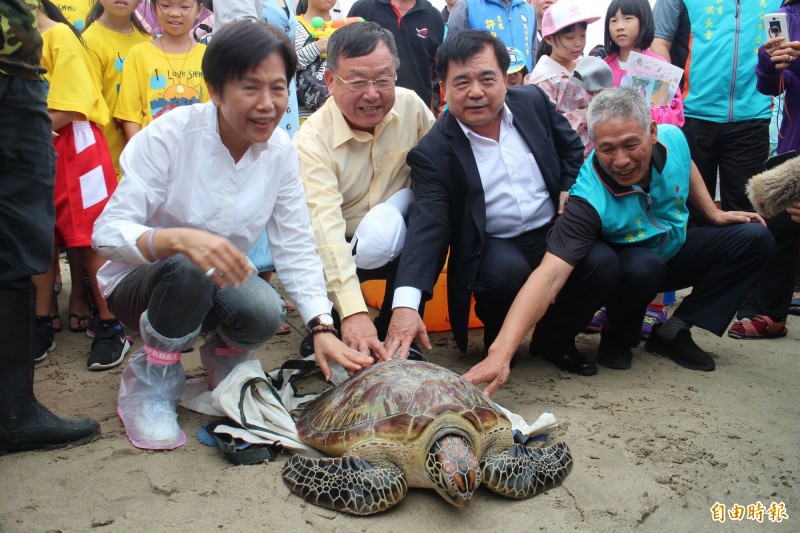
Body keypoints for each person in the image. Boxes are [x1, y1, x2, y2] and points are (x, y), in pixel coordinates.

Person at [92, 20, 372, 450]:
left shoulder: (280, 152)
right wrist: (174, 239)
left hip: (214, 284)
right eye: (249, 88)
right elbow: (106, 234)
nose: (267, 104)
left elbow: (295, 244)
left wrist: (321, 325)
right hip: (142, 286)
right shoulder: (170, 136)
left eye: (278, 88)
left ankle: (222, 362)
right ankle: (152, 379)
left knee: (264, 308)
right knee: (189, 266)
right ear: (216, 90)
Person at [462, 87, 774, 396]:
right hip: (630, 269)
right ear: (593, 145)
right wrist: (500, 353)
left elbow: (686, 163)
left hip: (675, 248)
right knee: (642, 265)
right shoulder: (588, 197)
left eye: (631, 144)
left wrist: (711, 212)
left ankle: (674, 329)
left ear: (651, 133)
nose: (621, 160)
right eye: (607, 149)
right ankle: (617, 337)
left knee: (754, 237)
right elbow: (549, 275)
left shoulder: (673, 137)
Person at [385, 30, 615, 380]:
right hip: (493, 242)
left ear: (505, 80)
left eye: (486, 78)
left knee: (602, 263)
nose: (476, 91)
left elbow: (571, 147)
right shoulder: (433, 152)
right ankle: (499, 340)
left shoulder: (533, 103)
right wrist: (405, 305)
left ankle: (554, 338)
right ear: (443, 88)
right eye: (461, 82)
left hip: (551, 227)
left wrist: (568, 185)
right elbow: (427, 225)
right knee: (502, 274)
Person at [293, 22, 436, 359]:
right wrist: (355, 314)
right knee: (313, 246)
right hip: (338, 243)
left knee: (430, 211)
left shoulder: (412, 107)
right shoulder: (311, 142)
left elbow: (440, 180)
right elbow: (324, 232)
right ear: (330, 81)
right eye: (357, 82)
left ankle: (396, 324)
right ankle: (331, 320)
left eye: (383, 80)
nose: (372, 94)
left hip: (398, 240)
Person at [1, 0, 100, 453]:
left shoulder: (53, 37)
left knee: (20, 240)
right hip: (15, 86)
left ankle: (14, 410)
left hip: (15, 78)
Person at [34, 0, 131, 370]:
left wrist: (19, 127)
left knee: (91, 239)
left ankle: (111, 324)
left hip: (76, 150)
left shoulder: (58, 36)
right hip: (35, 147)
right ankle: (42, 320)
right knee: (41, 236)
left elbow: (73, 106)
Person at [587, 0, 685, 339]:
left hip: (652, 166)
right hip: (611, 169)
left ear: (643, 21)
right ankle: (607, 301)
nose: (620, 26)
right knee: (614, 229)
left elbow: (677, 116)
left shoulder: (661, 67)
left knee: (657, 230)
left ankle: (654, 305)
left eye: (628, 18)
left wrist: (651, 120)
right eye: (613, 20)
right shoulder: (602, 66)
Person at [650, 0, 782, 214]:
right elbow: (659, 43)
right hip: (691, 116)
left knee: (746, 210)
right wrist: (669, 108)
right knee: (689, 209)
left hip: (752, 115)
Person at [728, 0, 800, 340]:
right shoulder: (789, 13)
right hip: (794, 137)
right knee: (782, 223)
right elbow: (771, 86)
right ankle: (770, 312)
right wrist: (768, 61)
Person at [115, 0, 209, 140]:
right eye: (165, 5)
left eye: (184, 7)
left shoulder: (208, 56)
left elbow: (211, 113)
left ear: (199, 11)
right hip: (151, 153)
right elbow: (130, 116)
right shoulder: (138, 54)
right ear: (154, 7)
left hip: (195, 154)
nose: (174, 13)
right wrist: (138, 157)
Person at [525, 0, 602, 158]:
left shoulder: (583, 64)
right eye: (570, 37)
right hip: (569, 159)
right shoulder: (543, 80)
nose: (579, 43)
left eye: (582, 35)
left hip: (597, 153)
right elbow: (548, 126)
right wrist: (590, 113)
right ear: (549, 39)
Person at [83, 0, 150, 178]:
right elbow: (89, 105)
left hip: (145, 159)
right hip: (106, 162)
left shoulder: (147, 41)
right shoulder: (90, 41)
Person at [347, 0, 444, 108]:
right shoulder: (363, 9)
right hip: (368, 104)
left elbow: (436, 73)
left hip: (414, 109)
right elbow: (344, 57)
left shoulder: (434, 17)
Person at [446, 0, 538, 73]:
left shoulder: (529, 10)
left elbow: (533, 54)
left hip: (523, 89)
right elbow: (453, 57)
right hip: (485, 89)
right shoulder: (465, 6)